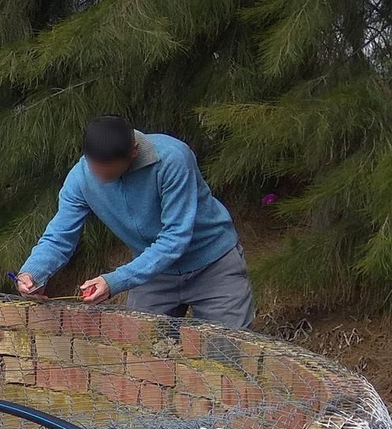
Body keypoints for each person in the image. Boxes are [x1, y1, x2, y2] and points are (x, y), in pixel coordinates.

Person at [15, 115, 255, 329]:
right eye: (94, 169)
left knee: (227, 355)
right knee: (142, 357)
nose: (98, 178)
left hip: (213, 266)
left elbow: (175, 238)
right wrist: (34, 272)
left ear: (134, 152)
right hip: (152, 274)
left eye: (108, 174)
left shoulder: (172, 159)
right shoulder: (81, 178)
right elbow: (60, 235)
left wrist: (114, 281)